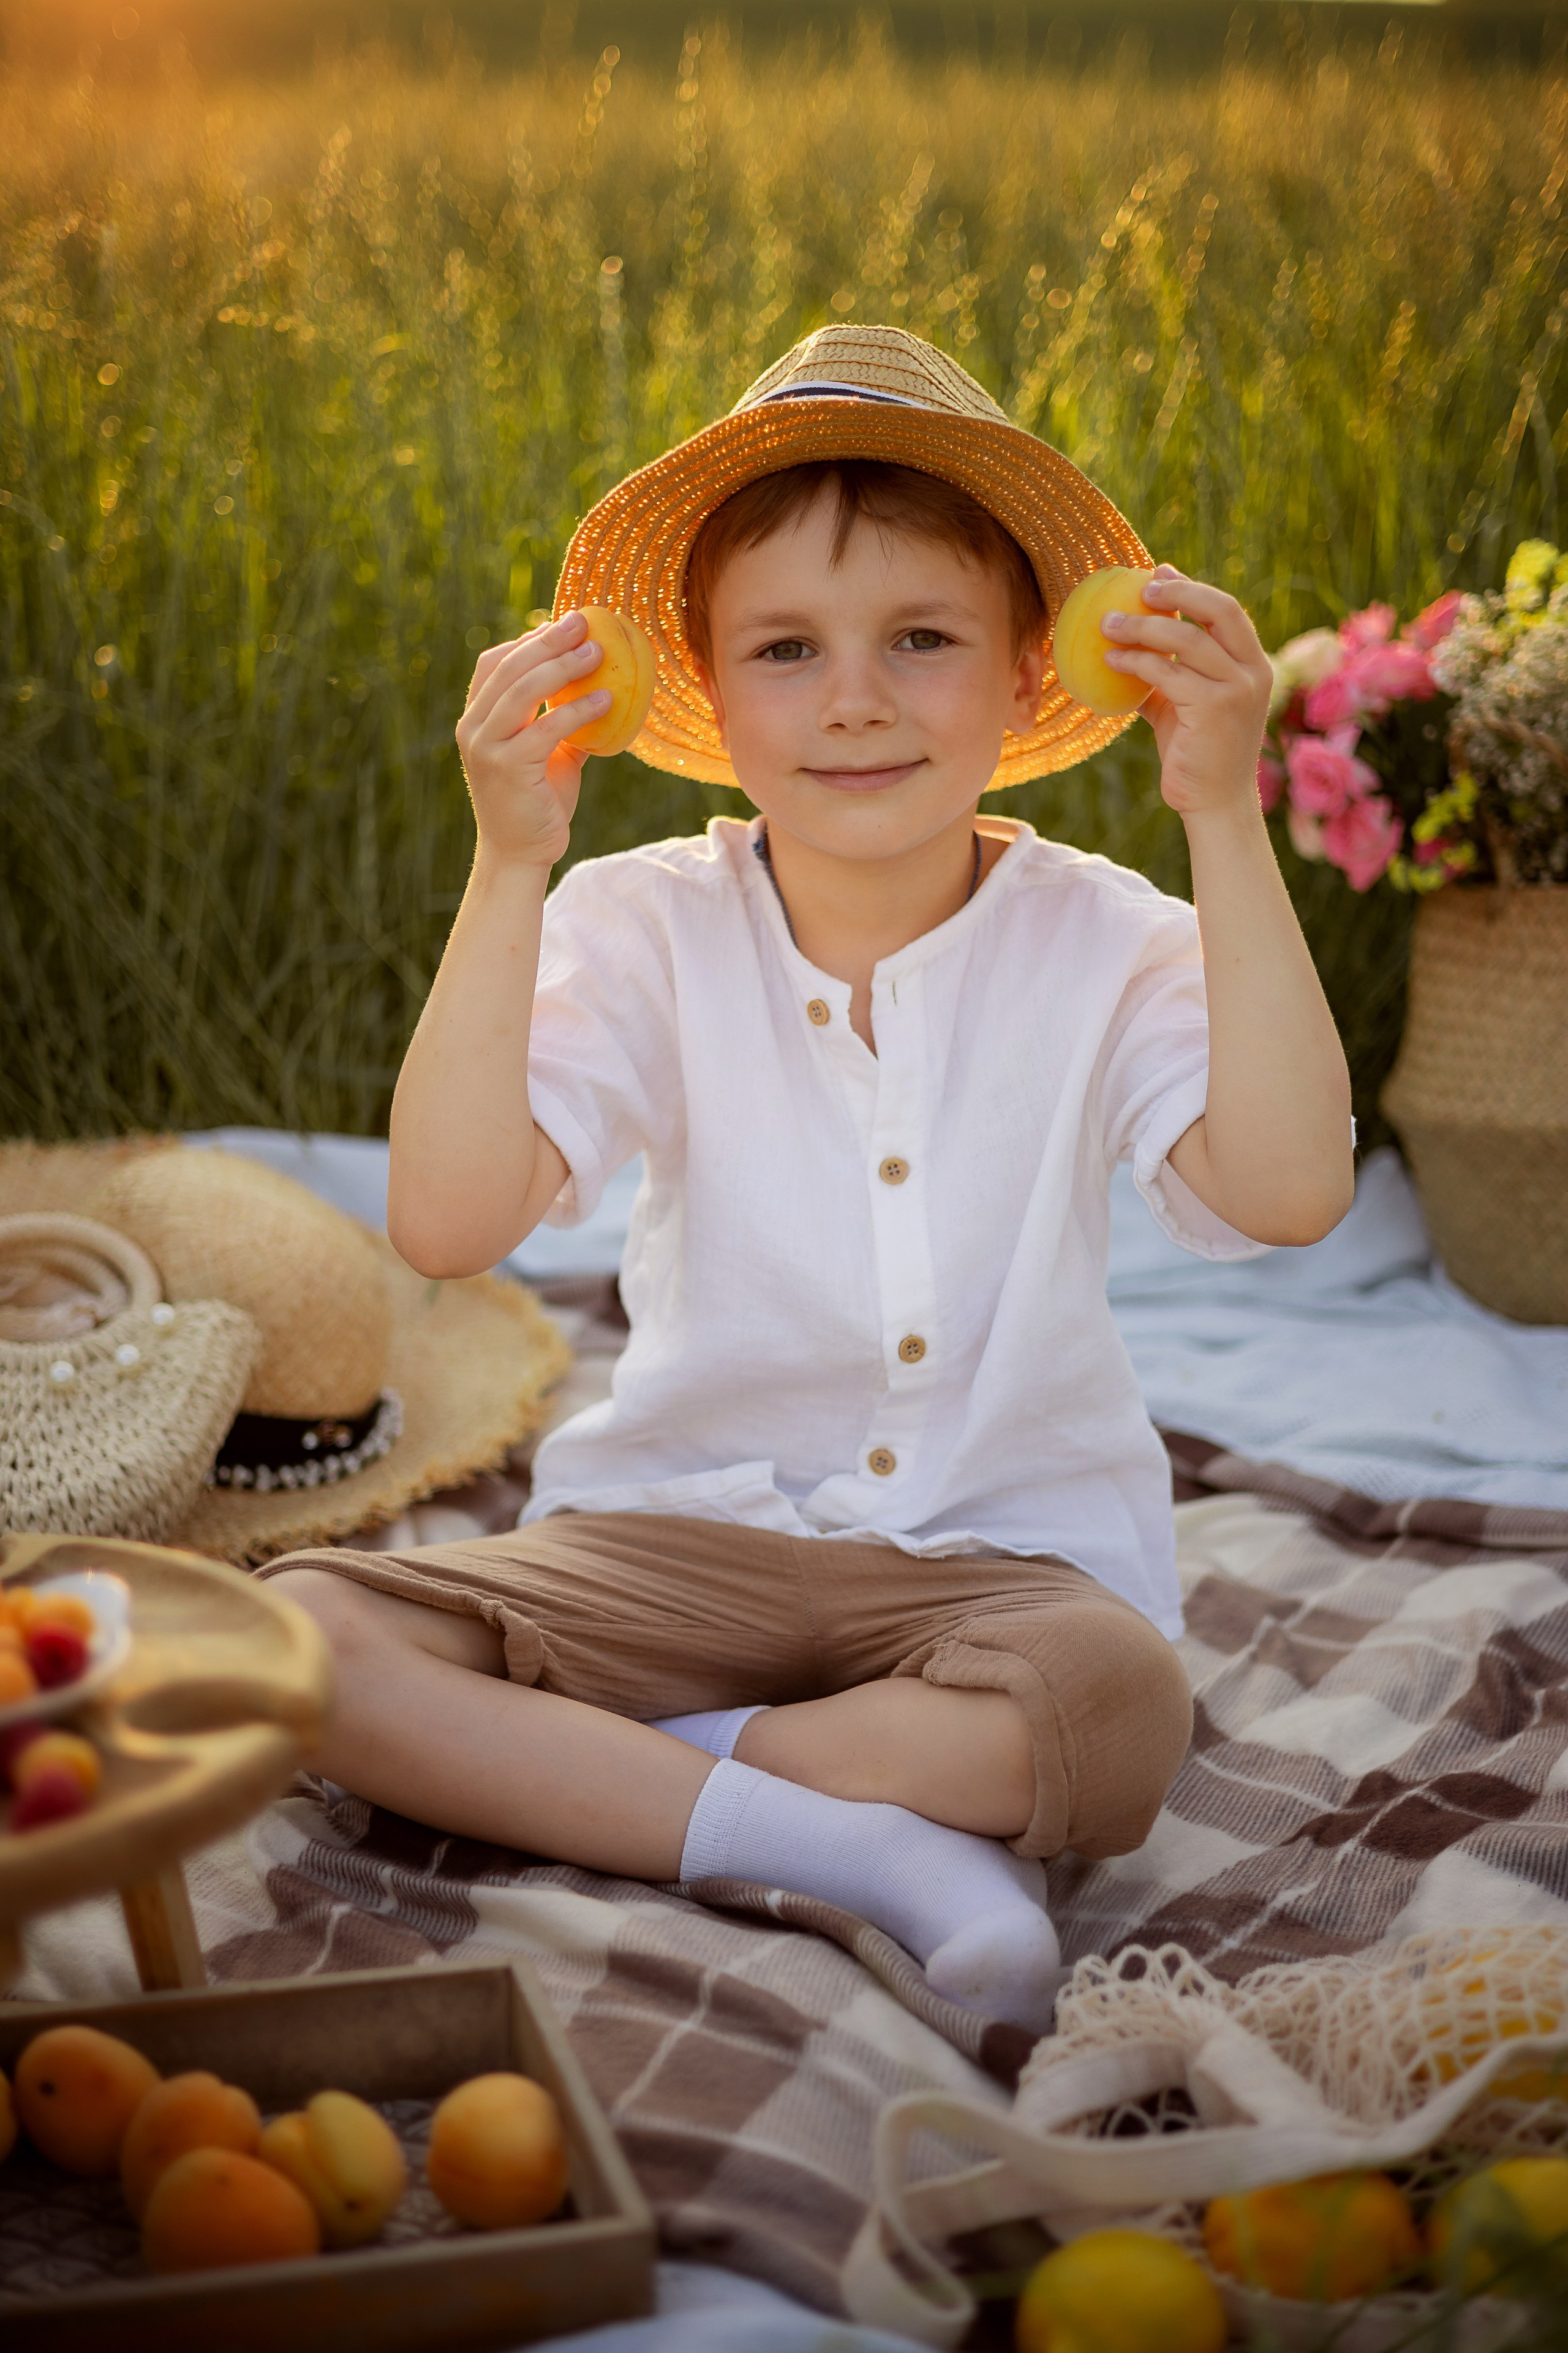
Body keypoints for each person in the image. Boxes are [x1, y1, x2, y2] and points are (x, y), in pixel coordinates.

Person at [263, 327, 1354, 2034]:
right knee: (302, 1640)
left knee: (1121, 1711)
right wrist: (508, 861)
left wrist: (1225, 816)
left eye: (922, 638)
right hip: (685, 1529)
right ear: (700, 680)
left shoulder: (1110, 937)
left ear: (1019, 673)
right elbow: (449, 1221)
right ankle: (879, 1850)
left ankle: (649, 1779)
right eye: (789, 648)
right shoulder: (640, 919)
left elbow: (1291, 1194)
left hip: (1006, 1561)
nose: (856, 696)